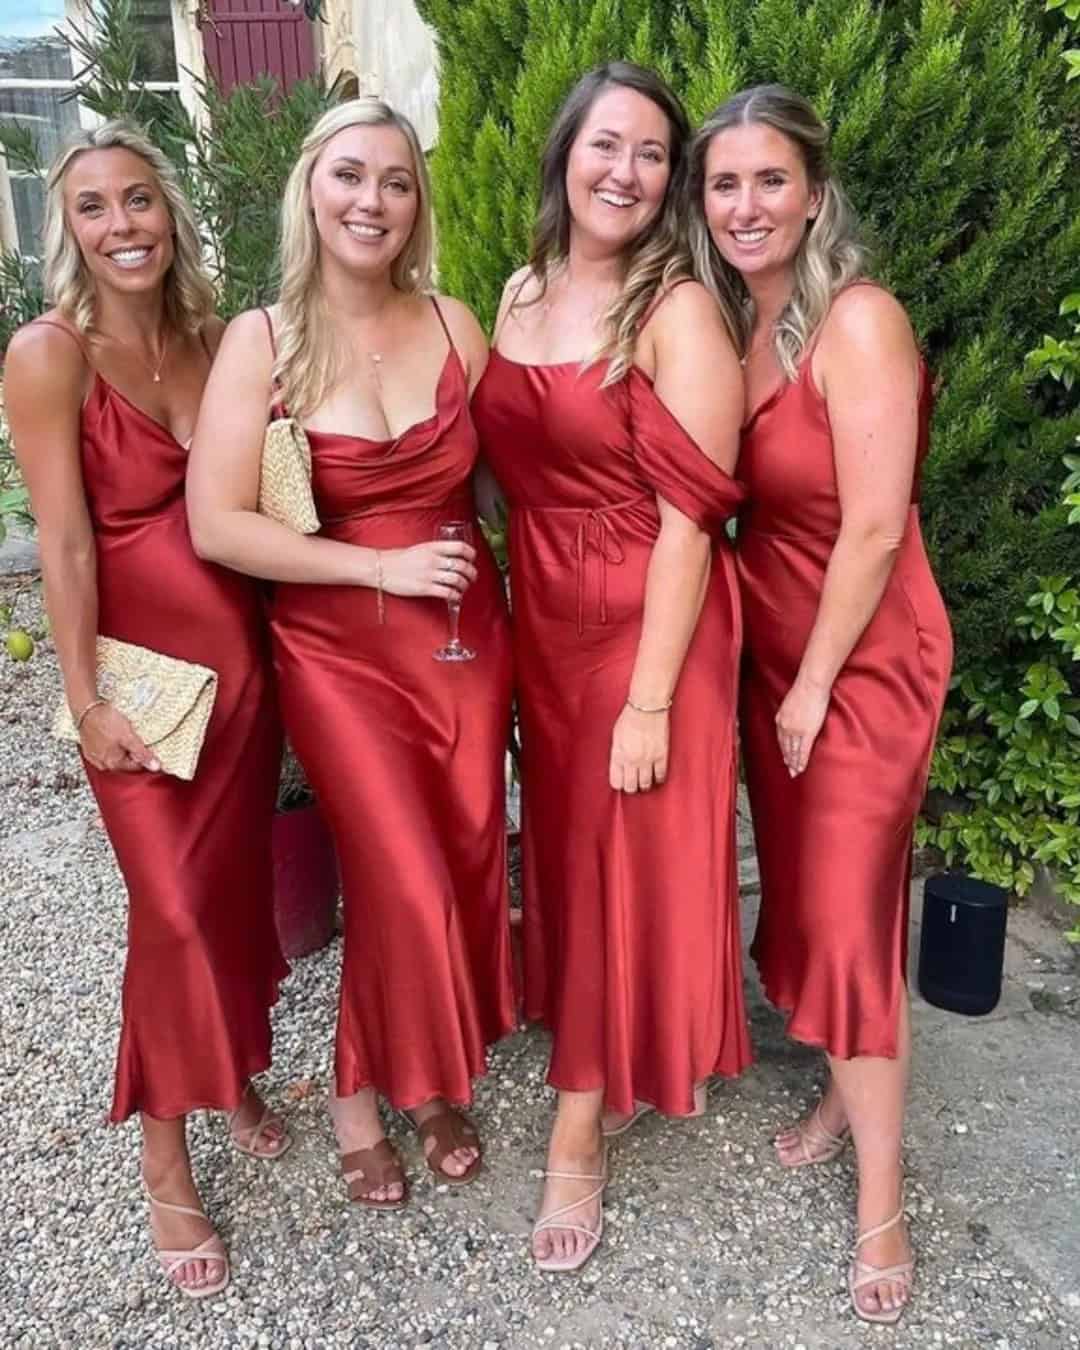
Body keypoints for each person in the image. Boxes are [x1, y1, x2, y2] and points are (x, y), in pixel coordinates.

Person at [186, 99, 514, 1210]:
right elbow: (219, 523)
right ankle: (356, 1100)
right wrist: (379, 571)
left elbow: (531, 471)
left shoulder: (459, 324)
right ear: (310, 190)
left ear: (418, 205)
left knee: (460, 863)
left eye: (396, 181)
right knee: (396, 875)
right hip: (336, 651)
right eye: (349, 176)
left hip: (467, 646)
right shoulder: (262, 340)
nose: (371, 200)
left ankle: (422, 1083)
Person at [472, 62, 750, 1273]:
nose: (624, 173)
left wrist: (648, 699)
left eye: (650, 155)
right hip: (547, 615)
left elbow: (694, 521)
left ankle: (577, 1129)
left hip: (653, 626)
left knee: (613, 853)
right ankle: (609, 1043)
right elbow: (495, 465)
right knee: (576, 857)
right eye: (606, 147)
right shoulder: (518, 288)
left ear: (668, 181)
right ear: (565, 155)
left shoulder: (678, 309)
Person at [5, 122, 290, 1301]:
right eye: (92, 208)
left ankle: (232, 1073)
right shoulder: (48, 354)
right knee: (168, 908)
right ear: (67, 230)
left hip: (245, 676)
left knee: (222, 895)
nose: (121, 225)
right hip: (140, 691)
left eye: (139, 201)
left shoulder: (216, 338)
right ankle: (165, 1161)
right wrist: (84, 698)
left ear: (171, 213)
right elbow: (65, 544)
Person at [687, 84, 953, 1324]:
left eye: (769, 180)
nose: (746, 205)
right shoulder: (741, 326)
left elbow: (875, 525)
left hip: (862, 661)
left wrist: (806, 688)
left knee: (844, 912)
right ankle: (847, 1090)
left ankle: (884, 1208)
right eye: (725, 184)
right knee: (820, 897)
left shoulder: (860, 321)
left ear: (813, 189)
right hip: (778, 659)